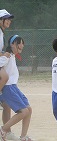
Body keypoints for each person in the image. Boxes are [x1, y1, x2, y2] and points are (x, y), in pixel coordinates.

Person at [0, 35, 33, 141]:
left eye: (23, 43)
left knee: (28, 109)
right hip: (7, 88)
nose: (21, 45)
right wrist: (4, 56)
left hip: (14, 87)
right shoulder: (8, 55)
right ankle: (3, 130)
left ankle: (23, 137)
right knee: (23, 112)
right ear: (12, 44)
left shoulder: (12, 56)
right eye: (19, 43)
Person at [0, 9, 19, 141]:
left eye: (9, 19)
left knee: (6, 104)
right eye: (6, 19)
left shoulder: (1, 33)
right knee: (5, 77)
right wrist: (4, 55)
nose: (9, 21)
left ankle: (6, 132)